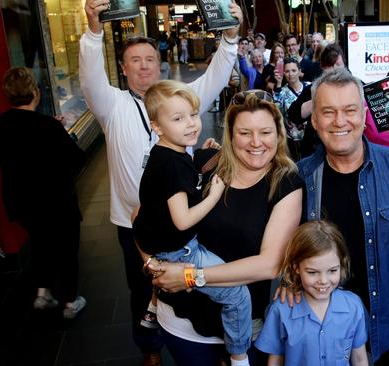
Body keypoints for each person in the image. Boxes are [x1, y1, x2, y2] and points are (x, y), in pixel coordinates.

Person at [79, 1, 243, 364]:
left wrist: (230, 34)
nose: (143, 65)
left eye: (149, 59)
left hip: (185, 222)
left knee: (195, 284)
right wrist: (93, 30)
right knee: (143, 288)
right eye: (134, 60)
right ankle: (149, 350)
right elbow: (90, 79)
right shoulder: (112, 105)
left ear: (160, 64)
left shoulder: (177, 103)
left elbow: (216, 77)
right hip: (135, 223)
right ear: (123, 69)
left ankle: (207, 342)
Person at [293, 68, 389, 364]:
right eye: (328, 112)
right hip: (327, 325)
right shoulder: (300, 177)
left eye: (349, 110)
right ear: (314, 120)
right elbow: (289, 246)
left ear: (364, 115)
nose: (340, 121)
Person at [147, 91, 303, 366]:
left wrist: (188, 276)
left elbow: (269, 265)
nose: (256, 143)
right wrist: (152, 264)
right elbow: (142, 214)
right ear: (230, 135)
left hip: (244, 332)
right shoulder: (204, 164)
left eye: (265, 132)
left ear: (278, 135)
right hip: (183, 324)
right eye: (245, 132)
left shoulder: (286, 183)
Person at [133, 80, 252, 365]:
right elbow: (183, 220)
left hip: (155, 242)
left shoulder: (165, 154)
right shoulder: (175, 165)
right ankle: (239, 355)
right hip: (181, 251)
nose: (190, 124)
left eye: (193, 115)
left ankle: (152, 306)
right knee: (238, 294)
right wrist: (215, 193)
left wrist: (199, 157)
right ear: (157, 126)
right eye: (178, 118)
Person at [0, 67, 87, 319]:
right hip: (56, 201)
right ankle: (69, 302)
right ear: (34, 92)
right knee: (66, 249)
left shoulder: (1, 124)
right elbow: (76, 159)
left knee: (41, 244)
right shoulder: (47, 125)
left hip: (22, 202)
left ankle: (42, 293)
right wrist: (65, 133)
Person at [255, 220, 368, 366]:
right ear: (296, 267)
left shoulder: (354, 306)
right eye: (313, 272)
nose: (323, 281)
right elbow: (275, 360)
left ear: (341, 263)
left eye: (332, 270)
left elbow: (359, 359)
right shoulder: (281, 310)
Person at [287, 43, 346, 158]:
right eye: (330, 66)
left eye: (338, 64)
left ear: (344, 64)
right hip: (316, 151)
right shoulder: (313, 89)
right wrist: (317, 99)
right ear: (323, 67)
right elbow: (293, 114)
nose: (335, 70)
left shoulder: (355, 86)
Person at [273, 58, 309, 161]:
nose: (290, 74)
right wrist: (278, 83)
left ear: (299, 71)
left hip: (310, 138)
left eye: (293, 70)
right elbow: (277, 112)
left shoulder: (309, 87)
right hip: (291, 141)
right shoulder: (281, 92)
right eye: (287, 71)